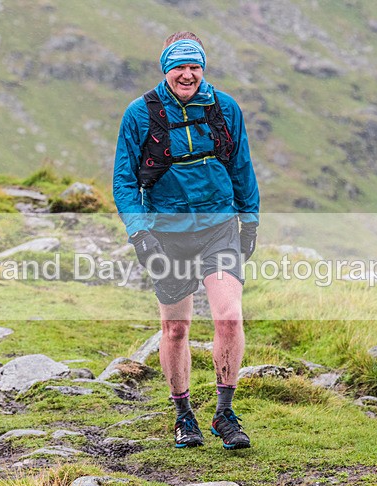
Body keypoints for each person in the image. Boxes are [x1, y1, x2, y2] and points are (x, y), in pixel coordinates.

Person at [113, 32, 260, 449]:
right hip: (166, 234)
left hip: (219, 227)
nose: (188, 74)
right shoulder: (139, 114)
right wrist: (140, 234)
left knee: (228, 317)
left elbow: (242, 168)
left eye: (195, 66)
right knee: (176, 328)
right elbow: (124, 181)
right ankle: (183, 415)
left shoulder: (225, 109)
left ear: (203, 68)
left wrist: (249, 222)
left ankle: (224, 414)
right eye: (179, 66)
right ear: (166, 69)